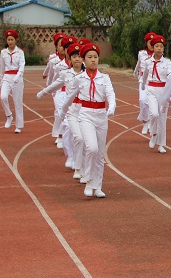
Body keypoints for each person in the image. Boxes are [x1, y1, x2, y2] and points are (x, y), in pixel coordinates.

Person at [59, 43, 116, 198]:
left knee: (99, 153)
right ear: (84, 60)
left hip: (101, 116)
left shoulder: (105, 78)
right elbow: (70, 96)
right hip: (85, 116)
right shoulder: (79, 79)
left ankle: (97, 186)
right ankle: (89, 179)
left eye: (95, 57)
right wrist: (62, 112)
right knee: (91, 148)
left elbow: (110, 94)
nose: (93, 60)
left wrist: (111, 107)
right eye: (89, 57)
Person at [36, 37, 81, 171]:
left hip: (82, 106)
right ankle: (71, 156)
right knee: (67, 128)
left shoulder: (85, 72)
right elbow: (54, 82)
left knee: (80, 135)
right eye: (72, 54)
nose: (76, 58)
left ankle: (80, 161)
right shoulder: (61, 67)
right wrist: (44, 91)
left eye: (79, 55)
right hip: (65, 100)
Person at [140, 34, 171, 153]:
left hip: (163, 91)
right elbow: (144, 75)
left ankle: (161, 144)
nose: (159, 48)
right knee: (154, 114)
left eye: (161, 46)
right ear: (153, 48)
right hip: (151, 89)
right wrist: (143, 85)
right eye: (157, 46)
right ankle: (153, 134)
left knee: (162, 118)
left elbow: (170, 76)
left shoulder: (167, 62)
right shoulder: (148, 61)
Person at [0, 29, 25, 133]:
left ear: (15, 40)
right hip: (7, 76)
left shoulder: (20, 52)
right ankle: (9, 115)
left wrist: (18, 76)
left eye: (12, 39)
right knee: (3, 97)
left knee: (17, 101)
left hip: (17, 77)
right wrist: (1, 81)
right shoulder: (3, 52)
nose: (10, 42)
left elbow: (22, 66)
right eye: (8, 39)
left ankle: (18, 125)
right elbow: (2, 67)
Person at [135, 32, 156, 134]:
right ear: (146, 43)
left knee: (152, 104)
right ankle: (145, 122)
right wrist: (135, 72)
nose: (151, 44)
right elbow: (139, 64)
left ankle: (151, 124)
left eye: (153, 42)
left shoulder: (158, 55)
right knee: (143, 101)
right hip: (143, 80)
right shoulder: (141, 53)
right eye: (149, 42)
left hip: (153, 81)